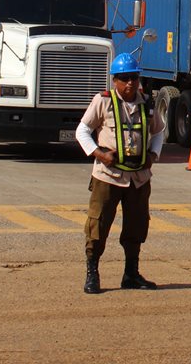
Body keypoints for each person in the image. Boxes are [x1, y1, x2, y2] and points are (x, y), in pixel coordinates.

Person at [75, 52, 166, 294]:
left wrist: (153, 155)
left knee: (137, 226)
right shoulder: (103, 101)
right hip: (108, 176)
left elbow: (159, 131)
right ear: (114, 80)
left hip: (138, 179)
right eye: (124, 78)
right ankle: (92, 274)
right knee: (98, 224)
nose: (130, 83)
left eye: (134, 77)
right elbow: (82, 131)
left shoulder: (147, 104)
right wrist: (99, 153)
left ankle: (131, 274)